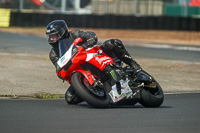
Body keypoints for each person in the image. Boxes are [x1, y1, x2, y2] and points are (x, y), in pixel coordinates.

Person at [46, 20, 142, 104]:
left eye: (54, 36)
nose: (51, 39)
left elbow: (92, 36)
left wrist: (87, 43)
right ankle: (96, 93)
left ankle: (134, 65)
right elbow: (59, 69)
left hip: (94, 55)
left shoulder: (74, 33)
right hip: (79, 70)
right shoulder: (53, 54)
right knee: (70, 98)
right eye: (50, 37)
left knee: (113, 43)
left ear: (62, 32)